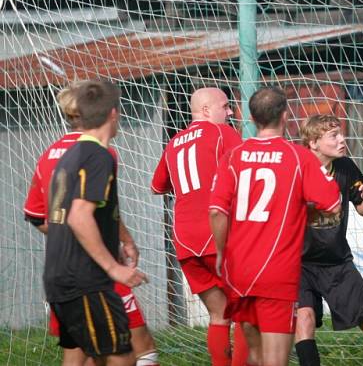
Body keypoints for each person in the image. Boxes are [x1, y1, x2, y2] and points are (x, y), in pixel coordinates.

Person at [24, 82, 159, 366]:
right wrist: (113, 267)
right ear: (113, 114)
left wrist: (110, 242)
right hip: (86, 277)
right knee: (123, 355)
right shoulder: (97, 155)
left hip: (59, 274)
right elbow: (78, 216)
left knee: (83, 356)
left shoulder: (65, 155)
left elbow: (49, 216)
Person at [209, 86, 342, 366]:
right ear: (284, 116)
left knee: (254, 357)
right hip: (277, 272)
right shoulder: (298, 156)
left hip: (239, 270)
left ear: (251, 117)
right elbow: (332, 205)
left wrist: (221, 253)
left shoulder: (234, 156)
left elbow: (217, 212)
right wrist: (300, 212)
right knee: (275, 361)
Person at [293, 114, 363, 366]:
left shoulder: (345, 167)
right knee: (304, 320)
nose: (342, 139)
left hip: (337, 262)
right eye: (334, 136)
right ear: (313, 143)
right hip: (300, 264)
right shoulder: (296, 169)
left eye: (341, 133)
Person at [151, 87, 248, 366]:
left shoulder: (174, 142)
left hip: (184, 240)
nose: (230, 112)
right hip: (216, 234)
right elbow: (246, 171)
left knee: (219, 315)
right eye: (226, 106)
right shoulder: (222, 133)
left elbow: (157, 186)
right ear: (206, 110)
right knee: (244, 312)